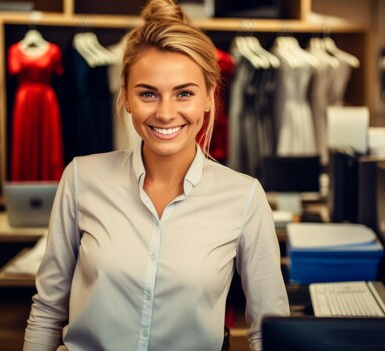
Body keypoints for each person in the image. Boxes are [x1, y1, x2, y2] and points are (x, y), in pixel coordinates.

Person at [22, 0, 289, 350]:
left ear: (209, 97)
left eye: (184, 94)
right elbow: (47, 311)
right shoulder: (81, 178)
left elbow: (268, 330)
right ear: (127, 97)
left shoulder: (244, 197)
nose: (165, 113)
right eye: (148, 93)